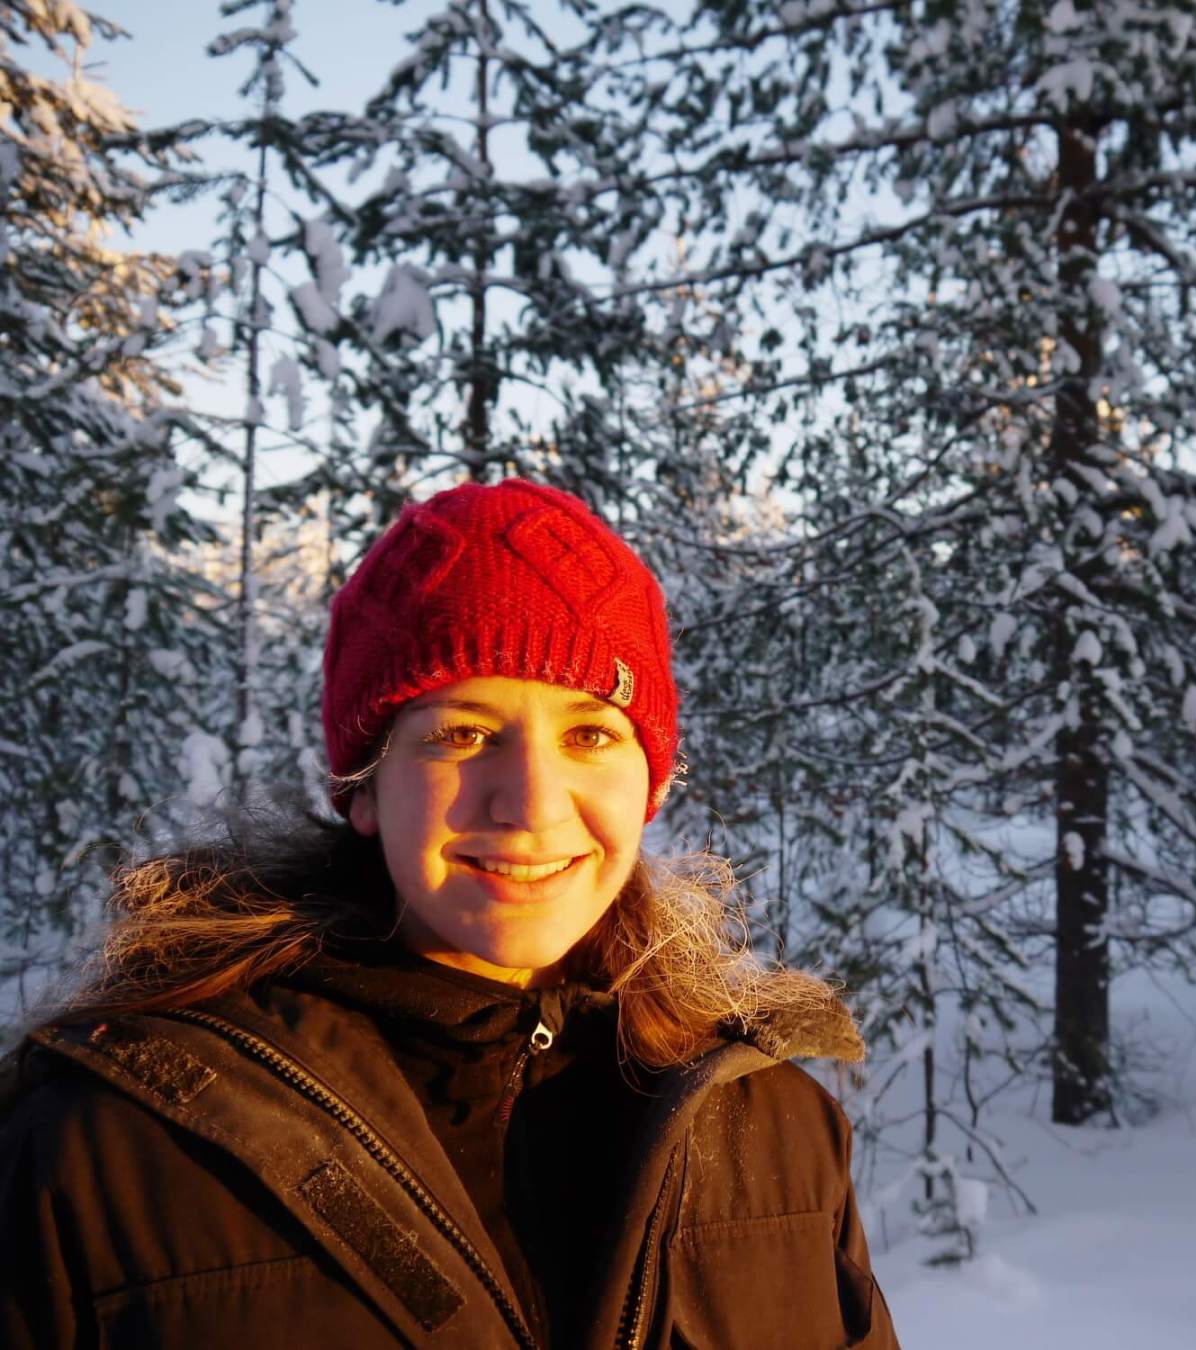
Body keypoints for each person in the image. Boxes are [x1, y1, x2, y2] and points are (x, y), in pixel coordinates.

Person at [0, 478, 901, 1349]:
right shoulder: (112, 1148)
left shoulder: (774, 1128)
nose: (531, 805)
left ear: (650, 782)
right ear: (367, 790)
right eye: (462, 734)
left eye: (589, 734)